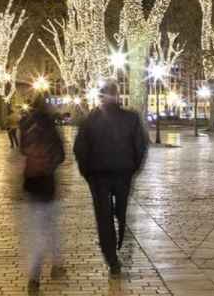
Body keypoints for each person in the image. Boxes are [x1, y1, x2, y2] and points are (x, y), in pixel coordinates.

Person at [73, 82, 148, 276]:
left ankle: (112, 257)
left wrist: (86, 172)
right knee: (120, 210)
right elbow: (140, 146)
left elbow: (80, 148)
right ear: (117, 97)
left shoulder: (90, 119)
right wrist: (133, 168)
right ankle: (119, 234)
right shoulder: (131, 118)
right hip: (123, 173)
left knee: (103, 217)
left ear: (101, 97)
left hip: (98, 176)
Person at [20, 95, 67, 291]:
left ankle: (38, 273)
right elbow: (61, 155)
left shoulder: (27, 126)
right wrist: (50, 165)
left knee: (38, 230)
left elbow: (22, 150)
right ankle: (49, 269)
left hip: (31, 184)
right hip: (47, 184)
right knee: (50, 228)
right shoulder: (50, 127)